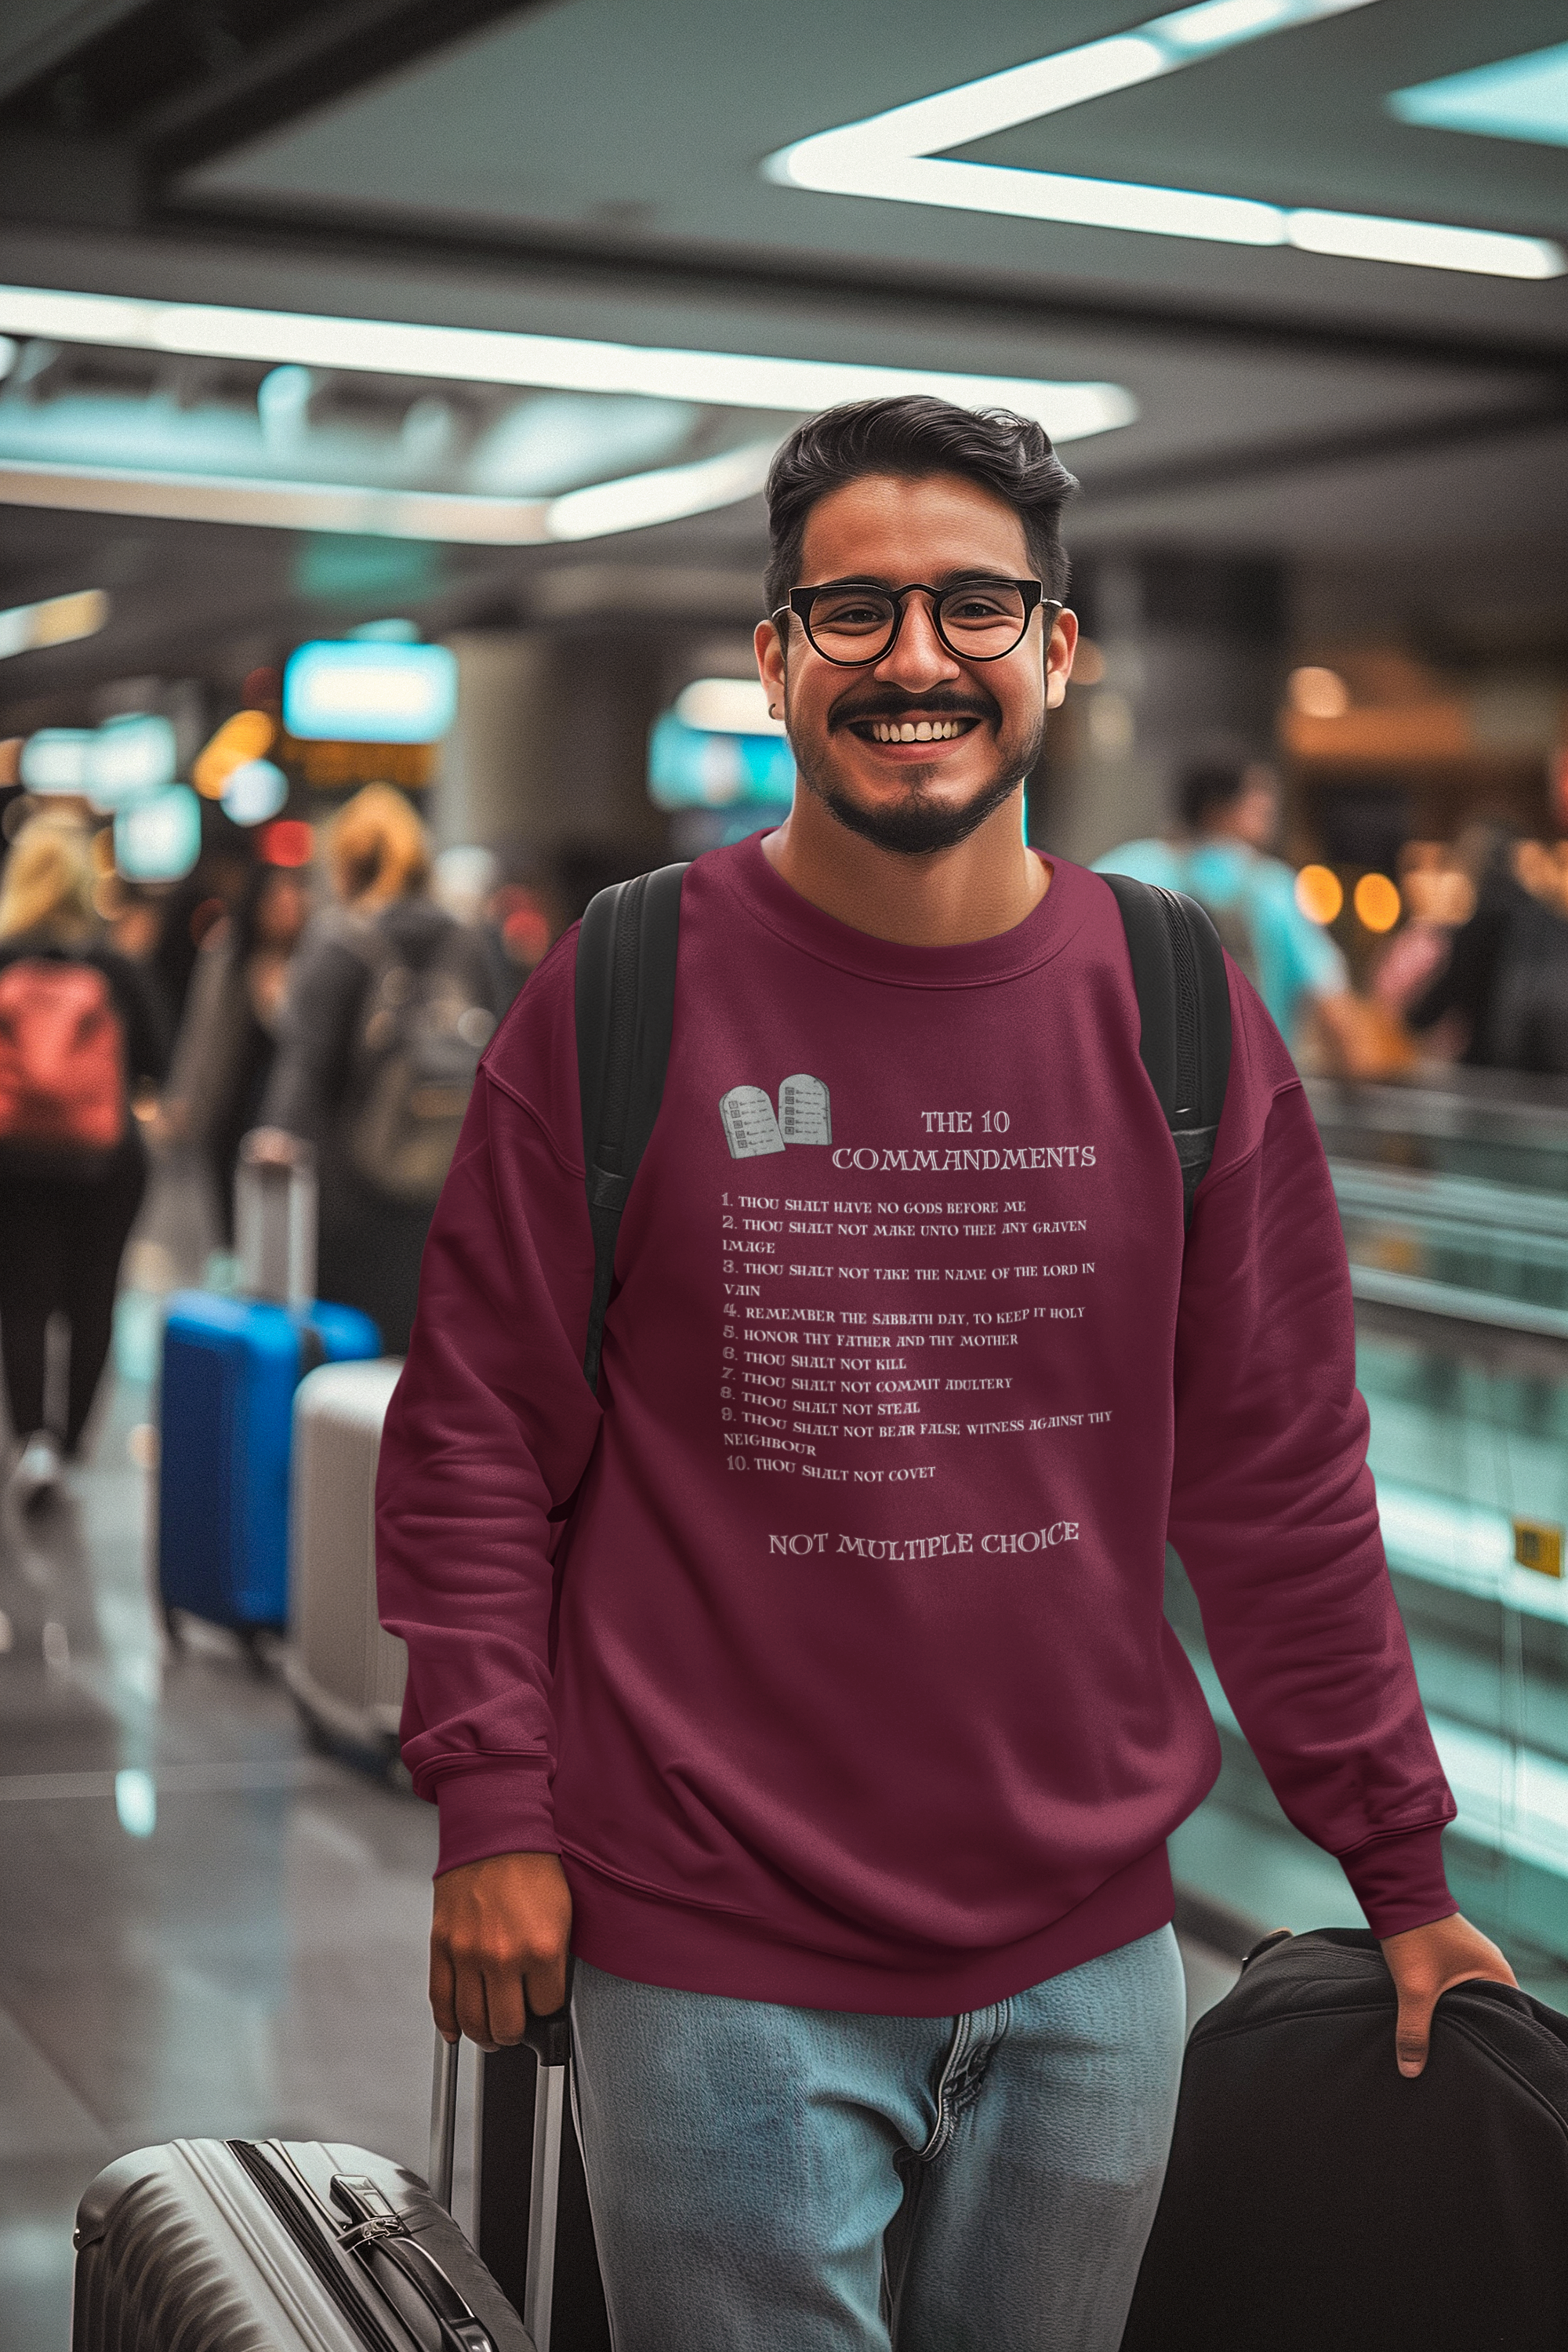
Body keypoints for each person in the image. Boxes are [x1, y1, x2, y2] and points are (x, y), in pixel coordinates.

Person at [376, 397, 1512, 2352]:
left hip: (1092, 1967)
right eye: (856, 610)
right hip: (714, 1951)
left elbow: (1277, 1476)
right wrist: (491, 1802)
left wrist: (1391, 1860)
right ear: (774, 657)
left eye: (975, 608)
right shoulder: (626, 982)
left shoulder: (1173, 1005)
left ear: (1056, 653)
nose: (916, 658)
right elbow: (479, 1425)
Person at [255, 785, 496, 1353]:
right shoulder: (469, 943)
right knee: (423, 1351)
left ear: (345, 864)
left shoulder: (338, 943)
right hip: (447, 1188)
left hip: (351, 1192)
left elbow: (305, 1071)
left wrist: (274, 1141)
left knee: (347, 1362)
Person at [0, 816, 168, 1504]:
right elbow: (158, 1060)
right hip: (106, 1164)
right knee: (95, 1296)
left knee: (23, 1299)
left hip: (13, 1160)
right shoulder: (113, 966)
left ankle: (33, 1441)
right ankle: (69, 1447)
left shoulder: (5, 958)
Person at [1094, 753, 1383, 1069]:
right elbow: (1335, 1012)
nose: (1271, 807)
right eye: (1258, 797)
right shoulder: (1274, 888)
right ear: (1218, 808)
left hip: (1142, 1086)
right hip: (1248, 1094)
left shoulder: (1124, 869)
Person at [162, 855, 310, 1243]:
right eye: (277, 899)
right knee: (231, 1216)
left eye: (294, 898)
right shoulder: (229, 952)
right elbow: (203, 1030)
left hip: (288, 1111)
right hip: (232, 1105)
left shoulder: (316, 961)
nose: (287, 909)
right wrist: (183, 1098)